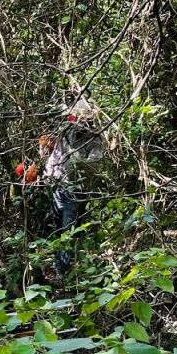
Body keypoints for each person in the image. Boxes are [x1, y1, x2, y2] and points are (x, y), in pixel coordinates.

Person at [42, 103, 105, 278]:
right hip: (59, 186)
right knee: (58, 227)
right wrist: (49, 173)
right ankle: (60, 264)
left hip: (78, 191)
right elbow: (56, 155)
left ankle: (62, 272)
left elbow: (95, 164)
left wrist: (76, 163)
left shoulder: (95, 138)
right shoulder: (67, 133)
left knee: (68, 231)